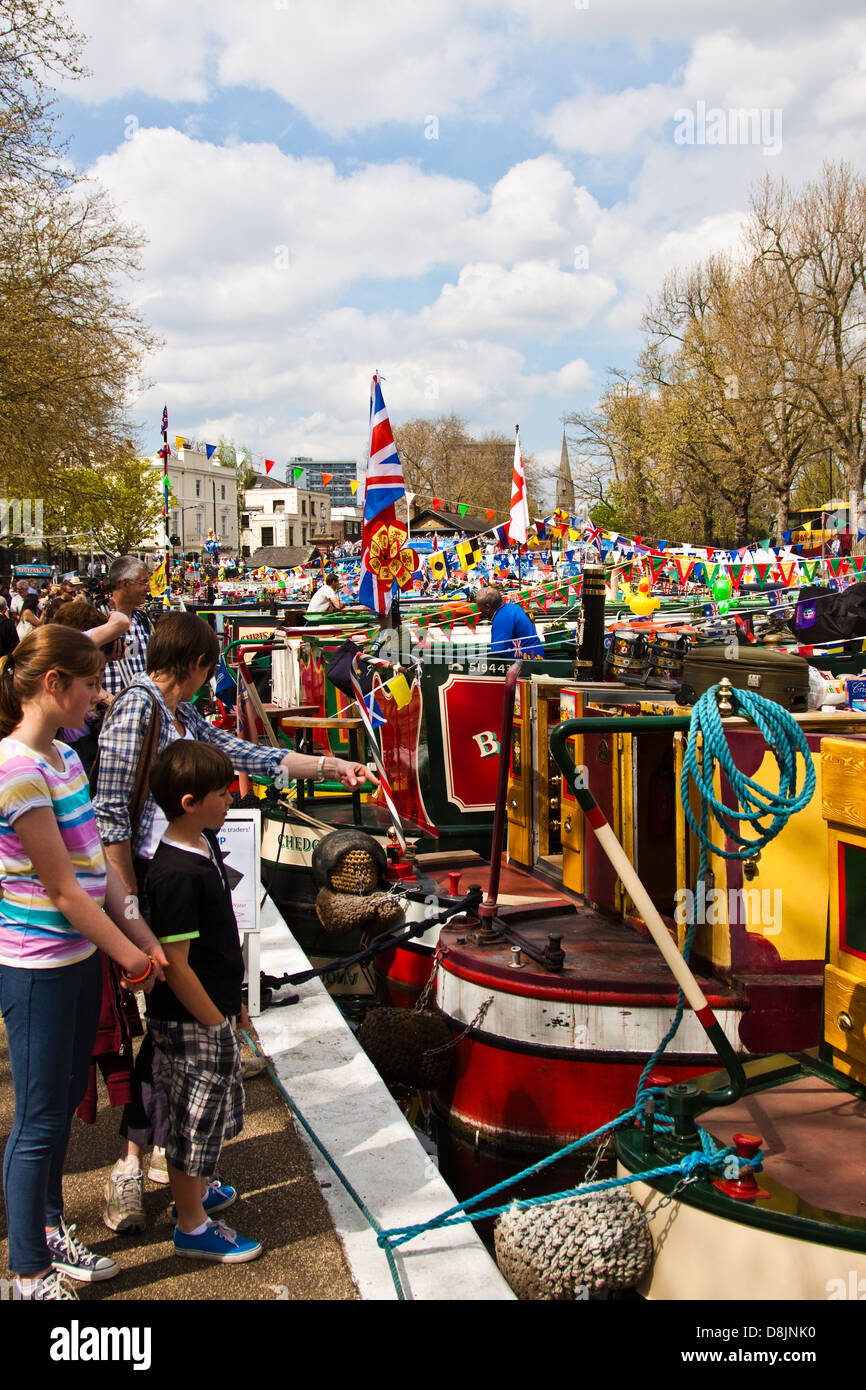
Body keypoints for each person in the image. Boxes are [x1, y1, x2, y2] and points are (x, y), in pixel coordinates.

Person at [93, 611, 374, 1232]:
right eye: (209, 665)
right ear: (196, 664)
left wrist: (329, 768)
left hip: (179, 886)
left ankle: (170, 1164)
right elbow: (110, 816)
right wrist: (131, 913)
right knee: (162, 1040)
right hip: (156, 892)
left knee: (169, 1044)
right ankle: (130, 1169)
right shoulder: (138, 711)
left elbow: (242, 753)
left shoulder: (179, 714)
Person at [0, 626, 167, 1300]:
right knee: (38, 1113)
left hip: (76, 959)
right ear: (53, 685)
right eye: (91, 685)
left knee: (63, 1101)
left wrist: (137, 928)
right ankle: (25, 1269)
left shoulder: (67, 759)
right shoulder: (17, 771)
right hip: (37, 965)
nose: (99, 699)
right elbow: (64, 887)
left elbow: (99, 870)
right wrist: (128, 952)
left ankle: (45, 1228)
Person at [145, 740, 260, 1262]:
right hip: (192, 1020)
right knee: (192, 1120)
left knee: (211, 1113)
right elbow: (177, 963)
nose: (231, 799)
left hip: (211, 1009)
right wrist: (215, 1020)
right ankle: (191, 1223)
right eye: (221, 793)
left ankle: (197, 1189)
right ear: (189, 803)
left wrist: (232, 1002)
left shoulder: (203, 846)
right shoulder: (175, 875)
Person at [101, 555, 155, 697]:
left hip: (137, 710)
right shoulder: (98, 619)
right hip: (106, 714)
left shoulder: (142, 619)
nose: (148, 589)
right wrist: (109, 700)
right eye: (143, 582)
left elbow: (138, 660)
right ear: (125, 583)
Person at [475, 586, 544, 659]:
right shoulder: (513, 607)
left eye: (479, 607)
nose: (479, 611)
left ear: (487, 607)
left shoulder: (501, 619)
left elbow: (497, 655)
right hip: (536, 656)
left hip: (527, 662)